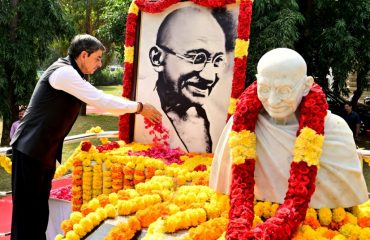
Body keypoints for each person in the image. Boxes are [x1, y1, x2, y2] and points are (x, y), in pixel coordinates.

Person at [10, 34, 162, 240]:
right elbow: (100, 100)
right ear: (83, 55)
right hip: (30, 150)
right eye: (97, 58)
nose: (100, 64)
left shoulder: (72, 73)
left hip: (42, 152)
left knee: (38, 215)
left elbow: (101, 101)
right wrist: (140, 108)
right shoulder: (64, 73)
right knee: (27, 216)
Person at [209, 48, 368, 209]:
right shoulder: (238, 127)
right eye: (264, 88)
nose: (272, 100)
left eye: (284, 90)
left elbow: (347, 193)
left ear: (306, 86)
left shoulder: (335, 131)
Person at [148, 6, 230, 153]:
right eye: (197, 58)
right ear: (157, 58)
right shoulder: (142, 107)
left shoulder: (204, 118)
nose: (209, 77)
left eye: (217, 61)